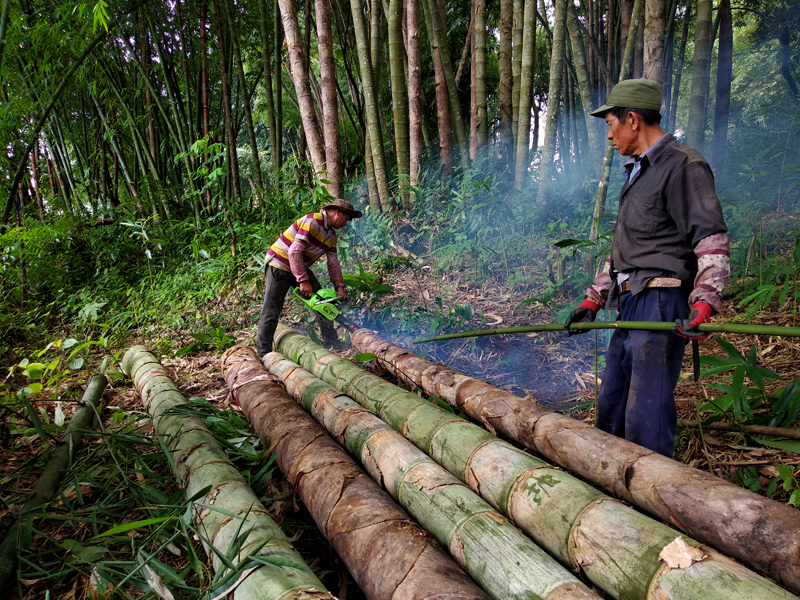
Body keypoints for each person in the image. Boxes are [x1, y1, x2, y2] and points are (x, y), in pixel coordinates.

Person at [564, 79, 730, 457]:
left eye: (610, 124)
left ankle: (652, 497)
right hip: (631, 302)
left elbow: (711, 237)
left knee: (645, 413)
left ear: (633, 119)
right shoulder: (637, 171)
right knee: (612, 403)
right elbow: (628, 248)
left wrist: (704, 300)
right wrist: (595, 298)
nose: (609, 135)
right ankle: (609, 479)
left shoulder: (683, 166)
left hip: (661, 302)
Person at [256, 198, 362, 357]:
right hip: (280, 263)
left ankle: (331, 341)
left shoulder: (331, 236)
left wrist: (339, 287)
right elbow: (294, 252)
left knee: (322, 304)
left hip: (299, 267)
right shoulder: (312, 221)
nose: (346, 223)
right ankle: (264, 354)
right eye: (347, 219)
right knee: (272, 310)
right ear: (338, 213)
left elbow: (333, 262)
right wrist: (303, 280)